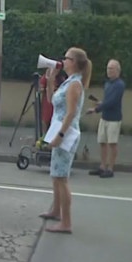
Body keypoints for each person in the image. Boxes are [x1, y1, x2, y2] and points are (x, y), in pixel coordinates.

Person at [39, 47, 92, 234]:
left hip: (66, 133)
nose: (63, 60)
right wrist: (51, 79)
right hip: (60, 130)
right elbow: (52, 101)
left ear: (74, 63)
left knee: (62, 178)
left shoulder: (75, 85)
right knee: (56, 175)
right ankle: (55, 210)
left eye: (67, 58)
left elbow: (71, 113)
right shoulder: (69, 82)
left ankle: (66, 222)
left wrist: (60, 136)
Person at [86, 59, 125, 178]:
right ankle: (102, 166)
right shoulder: (107, 84)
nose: (109, 71)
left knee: (112, 143)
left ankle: (110, 169)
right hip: (105, 117)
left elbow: (113, 101)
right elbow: (107, 101)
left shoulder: (120, 85)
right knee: (102, 142)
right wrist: (100, 103)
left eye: (112, 69)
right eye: (108, 68)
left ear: (118, 71)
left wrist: (96, 109)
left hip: (114, 119)